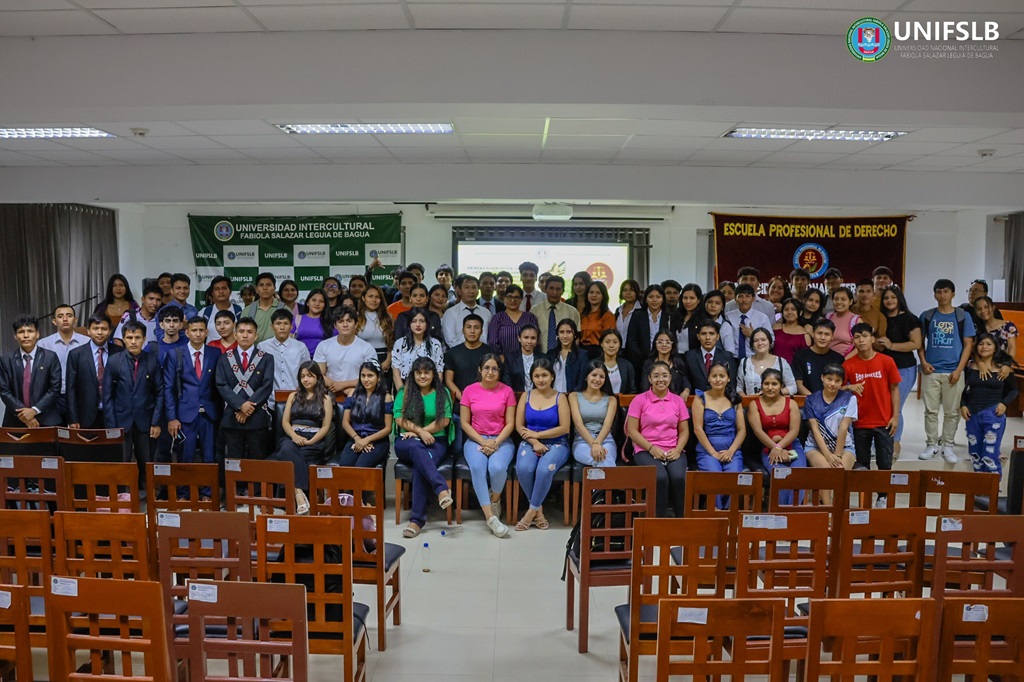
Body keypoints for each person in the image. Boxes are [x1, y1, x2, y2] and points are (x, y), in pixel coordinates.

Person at [393, 357, 454, 538]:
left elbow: (445, 420)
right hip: (407, 441)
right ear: (413, 374)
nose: (422, 376)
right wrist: (419, 432)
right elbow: (399, 419)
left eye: (426, 372)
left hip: (435, 442)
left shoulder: (443, 393)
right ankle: (441, 488)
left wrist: (423, 432)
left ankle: (417, 521)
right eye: (418, 373)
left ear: (433, 374)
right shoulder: (404, 392)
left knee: (422, 463)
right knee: (416, 449)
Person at [164, 316, 222, 498]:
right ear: (186, 332)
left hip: (210, 413)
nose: (198, 334)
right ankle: (183, 493)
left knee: (209, 456)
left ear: (206, 332)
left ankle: (207, 493)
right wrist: (172, 418)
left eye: (201, 330)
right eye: (194, 330)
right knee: (185, 454)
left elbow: (219, 385)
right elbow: (168, 388)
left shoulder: (215, 353)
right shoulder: (176, 354)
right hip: (184, 415)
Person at [918, 278, 975, 463]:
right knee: (931, 411)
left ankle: (948, 445)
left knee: (952, 412)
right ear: (934, 294)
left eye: (946, 291)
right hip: (931, 371)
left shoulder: (962, 316)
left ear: (953, 294)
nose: (942, 295)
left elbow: (968, 344)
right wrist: (924, 362)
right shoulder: (927, 316)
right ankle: (931, 444)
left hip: (954, 372)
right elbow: (920, 343)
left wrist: (959, 370)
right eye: (939, 292)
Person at [460, 353, 516, 537]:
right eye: (486, 368)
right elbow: (465, 423)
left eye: (494, 368)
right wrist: (483, 441)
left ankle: (494, 500)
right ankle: (491, 518)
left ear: (499, 371)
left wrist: (495, 442)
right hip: (476, 439)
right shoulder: (469, 390)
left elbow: (510, 424)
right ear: (479, 370)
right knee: (477, 466)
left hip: (502, 439)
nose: (490, 372)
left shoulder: (507, 391)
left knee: (498, 468)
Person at [102, 320, 163, 486]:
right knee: (121, 463)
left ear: (144, 339)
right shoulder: (114, 361)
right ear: (123, 339)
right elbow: (107, 397)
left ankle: (149, 497)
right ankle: (122, 497)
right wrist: (112, 426)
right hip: (121, 422)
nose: (133, 341)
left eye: (137, 337)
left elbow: (160, 394)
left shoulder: (152, 361)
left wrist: (156, 422)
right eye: (129, 337)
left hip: (146, 421)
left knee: (148, 463)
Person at [269, 361, 335, 514]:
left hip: (314, 439)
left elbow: (325, 426)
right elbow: (285, 422)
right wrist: (293, 435)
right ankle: (300, 495)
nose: (306, 380)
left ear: (318, 378)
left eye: (310, 376)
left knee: (291, 458)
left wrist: (311, 441)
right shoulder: (293, 396)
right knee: (286, 448)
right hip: (293, 437)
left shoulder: (325, 399)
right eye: (303, 376)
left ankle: (293, 497)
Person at [626, 360, 690, 518]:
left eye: (664, 376)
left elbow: (684, 431)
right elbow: (632, 431)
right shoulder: (639, 400)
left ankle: (681, 520)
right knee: (660, 478)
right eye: (656, 376)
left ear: (670, 379)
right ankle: (658, 520)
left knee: (678, 478)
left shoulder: (678, 401)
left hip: (673, 449)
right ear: (649, 379)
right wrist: (651, 448)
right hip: (645, 449)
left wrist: (677, 450)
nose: (660, 379)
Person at [514, 358, 570, 531]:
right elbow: (519, 426)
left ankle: (531, 512)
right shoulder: (526, 395)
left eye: (544, 375)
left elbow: (565, 427)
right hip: (530, 442)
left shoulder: (560, 398)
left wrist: (538, 435)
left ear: (552, 376)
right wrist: (534, 441)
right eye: (536, 376)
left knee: (544, 470)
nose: (541, 379)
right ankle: (539, 511)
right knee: (523, 469)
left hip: (557, 443)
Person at [844, 323, 901, 479]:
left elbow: (895, 389)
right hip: (860, 422)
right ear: (853, 341)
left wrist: (895, 417)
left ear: (872, 339)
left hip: (884, 422)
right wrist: (850, 388)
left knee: (885, 463)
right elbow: (836, 389)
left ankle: (882, 497)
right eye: (857, 337)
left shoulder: (887, 361)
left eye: (865, 336)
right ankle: (865, 497)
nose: (861, 340)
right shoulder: (848, 365)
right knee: (862, 464)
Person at [216, 317, 275, 462]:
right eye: (241, 331)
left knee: (257, 459)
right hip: (232, 416)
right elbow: (221, 385)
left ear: (256, 336)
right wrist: (240, 405)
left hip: (256, 416)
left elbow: (266, 385)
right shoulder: (224, 358)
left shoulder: (266, 358)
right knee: (234, 460)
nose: (245, 335)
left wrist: (248, 407)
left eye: (249, 332)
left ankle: (256, 486)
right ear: (235, 335)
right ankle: (235, 486)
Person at [961, 333, 1019, 477]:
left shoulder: (1003, 368)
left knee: (990, 453)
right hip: (972, 414)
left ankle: (993, 490)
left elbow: (1014, 390)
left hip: (993, 414)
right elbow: (962, 389)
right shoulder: (969, 366)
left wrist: (1004, 404)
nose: (984, 347)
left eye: (988, 344)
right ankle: (980, 489)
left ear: (995, 348)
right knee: (975, 453)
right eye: (981, 344)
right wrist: (963, 405)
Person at [875, 285, 922, 459]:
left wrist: (891, 346)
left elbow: (916, 343)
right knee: (882, 406)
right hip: (881, 369)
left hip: (903, 368)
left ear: (899, 299)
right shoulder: (880, 318)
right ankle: (880, 441)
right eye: (886, 298)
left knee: (896, 407)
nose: (889, 301)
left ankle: (895, 442)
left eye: (893, 297)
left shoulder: (909, 318)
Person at [747, 369, 806, 492]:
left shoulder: (791, 404)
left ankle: (793, 511)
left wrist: (779, 447)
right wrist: (775, 448)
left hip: (792, 446)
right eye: (766, 384)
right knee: (781, 476)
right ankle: (781, 511)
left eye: (774, 384)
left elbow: (794, 431)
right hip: (768, 448)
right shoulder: (754, 404)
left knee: (799, 477)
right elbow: (758, 431)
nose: (770, 387)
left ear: (781, 386)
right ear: (761, 385)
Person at [0, 314, 62, 427]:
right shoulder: (5, 360)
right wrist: (25, 415)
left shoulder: (50, 357)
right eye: (21, 332)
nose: (26, 335)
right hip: (15, 420)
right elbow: (4, 391)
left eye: (30, 331)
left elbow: (55, 389)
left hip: (46, 418)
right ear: (15, 336)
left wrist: (34, 410)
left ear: (37, 334)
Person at [804, 364, 858, 485]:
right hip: (815, 447)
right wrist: (828, 455)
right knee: (827, 473)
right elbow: (815, 429)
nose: (832, 384)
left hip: (844, 447)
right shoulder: (810, 400)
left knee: (839, 471)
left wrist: (837, 455)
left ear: (842, 382)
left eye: (837, 381)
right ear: (822, 377)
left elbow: (844, 427)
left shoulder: (850, 399)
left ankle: (839, 504)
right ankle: (828, 504)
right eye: (829, 379)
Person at [67, 314, 123, 430]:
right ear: (88, 331)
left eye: (104, 329)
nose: (99, 332)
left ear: (110, 331)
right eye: (95, 329)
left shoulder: (120, 353)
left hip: (115, 413)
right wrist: (73, 418)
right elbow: (71, 389)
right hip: (86, 415)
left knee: (114, 447)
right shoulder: (76, 354)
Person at [693, 361, 746, 481]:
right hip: (707, 451)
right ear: (709, 379)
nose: (718, 379)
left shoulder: (735, 399)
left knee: (733, 480)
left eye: (722, 376)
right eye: (714, 376)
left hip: (732, 450)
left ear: (728, 379)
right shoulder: (700, 397)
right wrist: (713, 453)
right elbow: (698, 429)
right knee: (715, 479)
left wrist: (731, 451)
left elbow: (742, 430)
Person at [339, 360, 394, 469]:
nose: (366, 379)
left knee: (361, 467)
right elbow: (345, 422)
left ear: (378, 378)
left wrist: (366, 441)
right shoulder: (353, 394)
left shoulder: (385, 397)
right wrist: (358, 439)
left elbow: (388, 429)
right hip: (355, 438)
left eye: (370, 376)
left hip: (377, 441)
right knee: (345, 467)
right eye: (363, 376)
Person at [37, 303, 90, 414]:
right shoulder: (43, 344)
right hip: (53, 397)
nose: (65, 319)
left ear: (75, 319)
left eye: (69, 315)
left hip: (81, 396)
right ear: (54, 321)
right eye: (60, 316)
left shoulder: (87, 342)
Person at [314, 307, 377, 397]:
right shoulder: (323, 346)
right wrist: (336, 385)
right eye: (340, 321)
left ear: (356, 324)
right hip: (329, 394)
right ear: (335, 325)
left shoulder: (367, 348)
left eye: (349, 321)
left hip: (359, 395)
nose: (345, 324)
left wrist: (343, 385)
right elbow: (319, 375)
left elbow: (371, 377)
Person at [570, 361, 618, 468]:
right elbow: (578, 424)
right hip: (582, 441)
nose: (597, 379)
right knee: (603, 462)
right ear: (586, 377)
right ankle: (616, 485)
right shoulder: (574, 396)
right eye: (594, 375)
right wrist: (594, 444)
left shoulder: (611, 399)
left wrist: (598, 443)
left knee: (605, 459)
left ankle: (599, 485)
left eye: (602, 376)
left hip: (606, 440)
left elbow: (607, 425)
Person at [680, 320, 739, 400]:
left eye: (711, 334)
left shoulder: (726, 356)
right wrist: (686, 390)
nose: (707, 338)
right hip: (696, 401)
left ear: (718, 336)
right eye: (703, 334)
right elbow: (685, 378)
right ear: (698, 336)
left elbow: (731, 381)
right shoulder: (689, 356)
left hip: (721, 401)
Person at [392, 308, 446, 391]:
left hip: (429, 389)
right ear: (409, 324)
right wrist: (402, 394)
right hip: (405, 387)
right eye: (414, 321)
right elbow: (396, 373)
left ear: (427, 324)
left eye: (422, 321)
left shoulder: (435, 344)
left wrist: (433, 392)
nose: (418, 324)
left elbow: (439, 371)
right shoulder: (400, 343)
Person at [259, 309, 311, 395]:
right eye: (278, 324)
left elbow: (307, 372)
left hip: (296, 394)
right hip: (269, 397)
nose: (282, 327)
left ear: (291, 327)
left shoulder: (300, 347)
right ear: (271, 326)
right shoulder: (262, 347)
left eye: (286, 324)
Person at [736, 328, 797, 396]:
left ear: (770, 342)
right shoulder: (745, 362)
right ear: (752, 344)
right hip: (751, 404)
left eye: (763, 340)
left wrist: (775, 393)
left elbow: (793, 387)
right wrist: (746, 399)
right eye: (756, 340)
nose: (760, 343)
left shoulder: (781, 362)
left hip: (776, 404)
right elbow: (739, 387)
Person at [626, 283, 670, 376]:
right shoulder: (638, 315)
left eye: (658, 297)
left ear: (663, 299)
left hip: (664, 360)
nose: (654, 300)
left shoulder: (669, 316)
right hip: (640, 361)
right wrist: (644, 358)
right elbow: (632, 340)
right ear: (645, 299)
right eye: (651, 297)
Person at [793, 319, 845, 396]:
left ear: (832, 337)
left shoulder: (838, 359)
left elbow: (839, 385)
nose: (823, 338)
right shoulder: (800, 356)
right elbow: (799, 385)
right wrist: (815, 400)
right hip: (807, 402)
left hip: (831, 402)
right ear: (813, 334)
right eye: (819, 333)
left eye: (827, 334)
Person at [486, 284, 538, 360]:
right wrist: (502, 358)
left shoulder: (530, 317)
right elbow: (492, 341)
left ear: (521, 300)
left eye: (516, 297)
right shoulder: (497, 318)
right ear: (504, 299)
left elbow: (535, 339)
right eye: (509, 297)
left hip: (527, 360)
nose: (513, 300)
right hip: (503, 361)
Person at [724, 283, 773, 361]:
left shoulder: (762, 318)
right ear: (735, 299)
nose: (744, 300)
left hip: (755, 358)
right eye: (740, 296)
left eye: (747, 296)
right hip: (732, 359)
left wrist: (753, 335)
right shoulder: (727, 317)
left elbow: (771, 342)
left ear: (753, 299)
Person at [355, 284, 395, 379]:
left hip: (384, 360)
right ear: (363, 298)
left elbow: (392, 341)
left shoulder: (388, 317)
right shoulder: (356, 317)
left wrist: (388, 360)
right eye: (370, 296)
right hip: (362, 360)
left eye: (377, 297)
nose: (374, 300)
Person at [442, 274, 492, 348]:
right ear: (459, 291)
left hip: (483, 354)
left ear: (478, 290)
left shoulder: (486, 312)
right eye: (466, 287)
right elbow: (450, 340)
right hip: (459, 355)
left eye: (474, 287)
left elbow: (489, 337)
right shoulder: (450, 313)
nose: (471, 291)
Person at [535, 275, 581, 355]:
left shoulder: (572, 312)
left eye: (558, 289)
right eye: (551, 288)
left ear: (563, 291)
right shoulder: (535, 310)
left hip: (565, 357)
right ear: (545, 289)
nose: (554, 292)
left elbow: (577, 338)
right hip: (540, 356)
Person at [239, 273, 285, 343]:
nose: (265, 288)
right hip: (255, 352)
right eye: (261, 285)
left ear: (274, 288)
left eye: (268, 285)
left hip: (278, 352)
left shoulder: (284, 309)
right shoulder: (247, 310)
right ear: (257, 289)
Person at [154, 273, 199, 343]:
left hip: (190, 350)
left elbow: (198, 334)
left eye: (185, 288)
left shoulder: (193, 310)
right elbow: (160, 337)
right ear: (171, 290)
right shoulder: (163, 311)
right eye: (178, 288)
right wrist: (178, 328)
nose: (182, 291)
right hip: (170, 350)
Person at [639, 330, 688, 394]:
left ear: (672, 344)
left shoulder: (678, 362)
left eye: (667, 342)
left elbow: (686, 381)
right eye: (660, 342)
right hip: (652, 401)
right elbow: (644, 386)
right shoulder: (648, 364)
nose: (664, 344)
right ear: (655, 344)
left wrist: (686, 391)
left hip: (676, 400)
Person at [548, 318, 588, 393]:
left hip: (574, 397)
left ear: (575, 334)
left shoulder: (582, 355)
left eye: (569, 332)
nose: (565, 336)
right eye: (562, 332)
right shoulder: (551, 354)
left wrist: (572, 396)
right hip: (552, 396)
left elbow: (582, 381)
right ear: (558, 334)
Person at [578, 281, 616, 360]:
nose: (594, 295)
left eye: (598, 293)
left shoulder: (608, 316)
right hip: (582, 351)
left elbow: (609, 338)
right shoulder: (583, 314)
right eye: (591, 292)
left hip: (599, 353)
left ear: (603, 296)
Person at [293, 289, 336, 356]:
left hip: (324, 360)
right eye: (314, 300)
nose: (317, 304)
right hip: (300, 360)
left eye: (321, 301)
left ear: (325, 305)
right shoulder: (297, 319)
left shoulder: (330, 322)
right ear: (307, 302)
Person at [199, 276, 242, 343]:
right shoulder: (204, 312)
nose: (221, 291)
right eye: (217, 289)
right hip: (212, 352)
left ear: (230, 291)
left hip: (234, 352)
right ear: (212, 293)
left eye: (224, 288)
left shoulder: (239, 311)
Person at [501, 324, 540, 392]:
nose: (529, 341)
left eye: (533, 338)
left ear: (537, 340)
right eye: (526, 337)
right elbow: (506, 380)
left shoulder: (543, 358)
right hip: (516, 396)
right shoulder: (510, 358)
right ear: (519, 338)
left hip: (539, 397)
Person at [772, 298, 811, 363]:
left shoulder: (805, 333)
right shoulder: (776, 328)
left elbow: (807, 358)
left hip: (795, 370)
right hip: (774, 369)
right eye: (786, 309)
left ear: (800, 312)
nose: (789, 312)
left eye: (793, 309)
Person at [701, 290, 737, 357]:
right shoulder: (698, 323)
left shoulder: (725, 326)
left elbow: (729, 352)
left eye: (717, 303)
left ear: (722, 307)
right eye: (710, 302)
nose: (713, 306)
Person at [599, 329, 635, 394]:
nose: (611, 345)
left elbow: (632, 390)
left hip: (622, 403)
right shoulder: (594, 365)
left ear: (619, 345)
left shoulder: (627, 365)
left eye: (615, 342)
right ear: (601, 344)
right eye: (607, 342)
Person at [825, 288, 859, 358]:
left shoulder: (856, 320)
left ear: (851, 301)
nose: (839, 302)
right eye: (836, 299)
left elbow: (858, 347)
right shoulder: (828, 317)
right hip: (827, 360)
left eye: (843, 299)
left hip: (846, 360)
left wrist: (842, 362)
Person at [671, 283, 704, 354]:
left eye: (692, 298)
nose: (688, 301)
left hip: (693, 358)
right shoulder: (676, 315)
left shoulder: (703, 319)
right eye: (685, 298)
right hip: (675, 357)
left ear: (698, 300)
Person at [615, 279, 642, 352]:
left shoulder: (642, 311)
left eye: (631, 290)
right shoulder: (618, 311)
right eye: (625, 290)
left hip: (635, 352)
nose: (628, 293)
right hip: (618, 350)